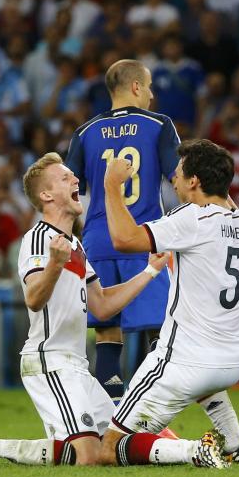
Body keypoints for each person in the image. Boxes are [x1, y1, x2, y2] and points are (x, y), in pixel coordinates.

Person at [0, 153, 223, 469]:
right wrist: (55, 264)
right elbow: (33, 298)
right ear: (46, 195)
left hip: (78, 367)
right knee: (90, 456)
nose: (76, 181)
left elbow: (102, 304)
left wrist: (150, 272)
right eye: (66, 178)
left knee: (114, 444)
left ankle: (195, 451)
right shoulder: (39, 239)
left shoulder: (76, 245)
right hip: (49, 362)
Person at [98, 139, 239, 467]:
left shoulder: (192, 219)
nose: (174, 179)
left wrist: (111, 185)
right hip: (234, 362)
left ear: (194, 182)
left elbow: (124, 239)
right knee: (203, 371)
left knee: (109, 448)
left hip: (183, 364)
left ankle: (196, 450)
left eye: (179, 173)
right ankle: (236, 444)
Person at [63, 59, 178, 404]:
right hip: (141, 238)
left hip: (97, 241)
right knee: (159, 331)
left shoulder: (84, 132)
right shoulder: (159, 125)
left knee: (107, 331)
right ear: (137, 87)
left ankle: (110, 413)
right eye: (150, 86)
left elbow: (68, 188)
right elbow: (180, 178)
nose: (153, 95)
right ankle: (150, 416)